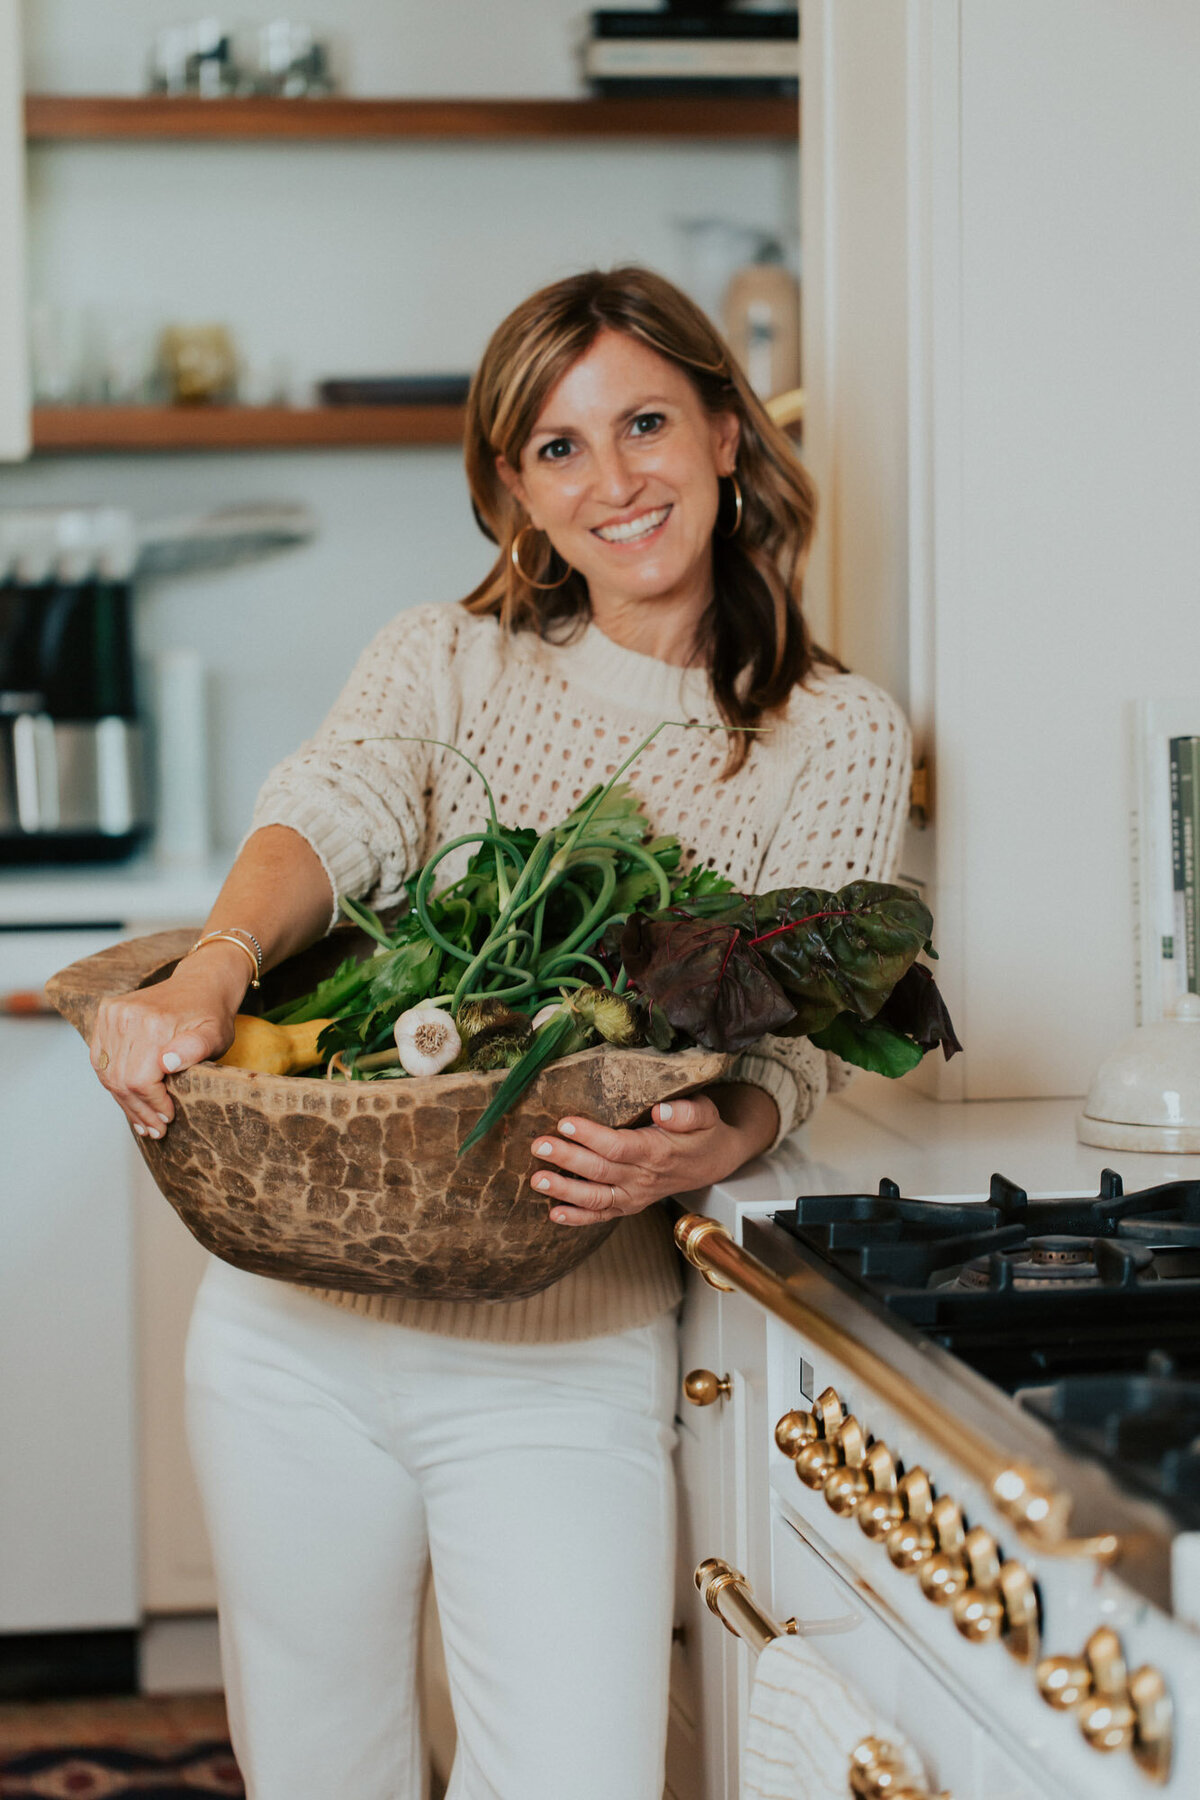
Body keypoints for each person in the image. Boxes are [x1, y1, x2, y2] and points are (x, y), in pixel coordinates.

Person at [89, 266, 911, 1800]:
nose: (615, 481)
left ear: (729, 433)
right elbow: (324, 810)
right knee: (322, 1775)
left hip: (564, 1345)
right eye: (558, 447)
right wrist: (211, 971)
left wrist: (721, 1130)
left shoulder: (831, 732)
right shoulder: (443, 661)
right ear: (512, 494)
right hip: (293, 1337)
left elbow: (800, 1041)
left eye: (647, 422)